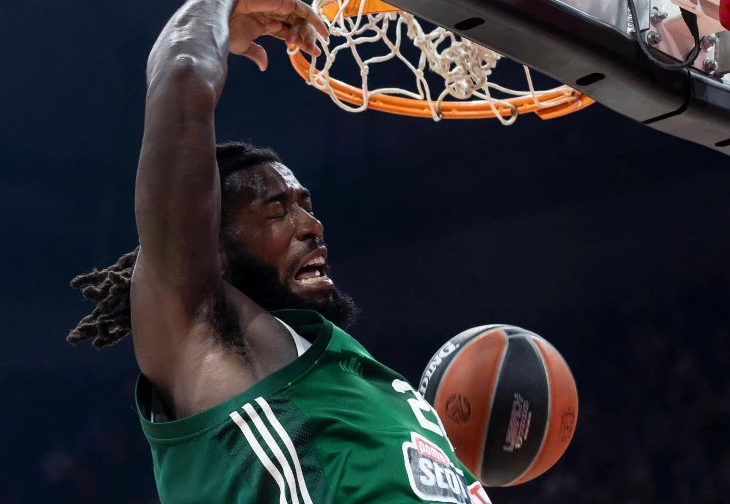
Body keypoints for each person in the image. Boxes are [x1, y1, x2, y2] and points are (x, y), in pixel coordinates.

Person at [68, 0, 492, 502]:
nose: (312, 226)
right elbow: (182, 74)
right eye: (276, 212)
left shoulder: (368, 378)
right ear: (213, 249)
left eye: (306, 207)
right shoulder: (211, 342)